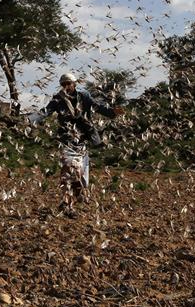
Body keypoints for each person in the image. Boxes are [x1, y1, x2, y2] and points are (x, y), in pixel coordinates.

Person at [28, 73, 125, 211]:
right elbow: (45, 112)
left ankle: (72, 201)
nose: (66, 87)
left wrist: (113, 112)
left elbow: (98, 107)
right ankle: (67, 204)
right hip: (67, 141)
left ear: (74, 84)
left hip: (82, 141)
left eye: (69, 84)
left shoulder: (84, 97)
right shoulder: (58, 99)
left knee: (80, 178)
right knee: (69, 173)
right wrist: (30, 119)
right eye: (63, 84)